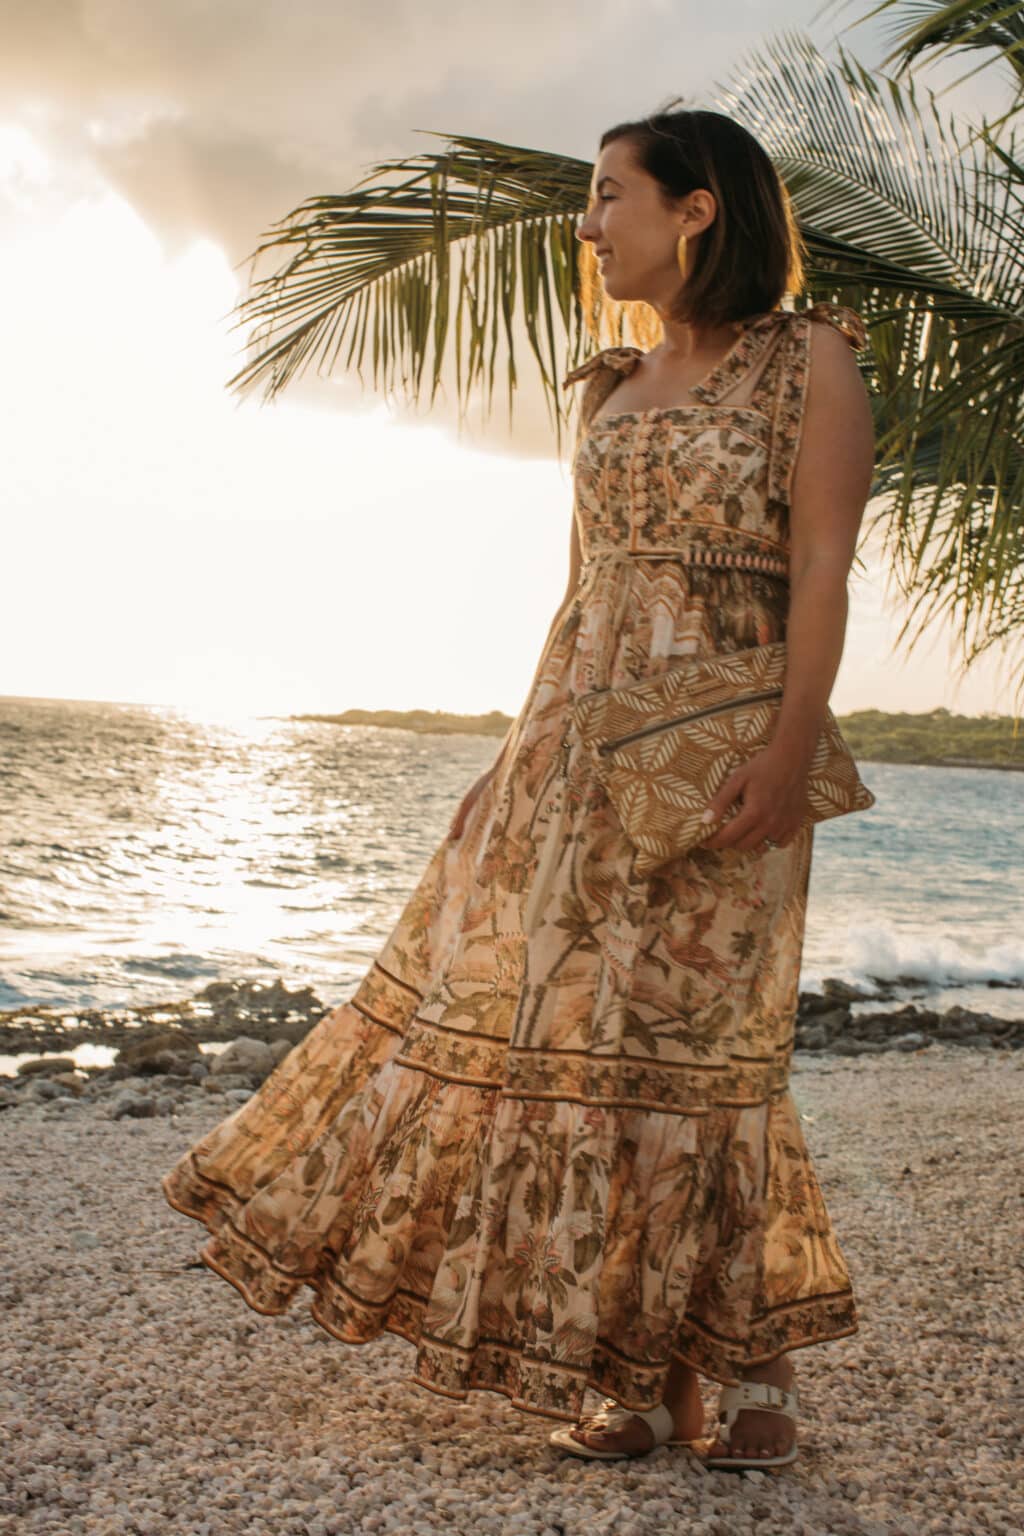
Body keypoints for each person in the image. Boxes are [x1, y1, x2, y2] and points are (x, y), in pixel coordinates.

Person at [161, 105, 875, 1473]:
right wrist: (506, 765)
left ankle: (755, 1372)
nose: (589, 223)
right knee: (584, 1059)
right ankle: (630, 1375)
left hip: (724, 753)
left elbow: (824, 570)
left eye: (610, 195)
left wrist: (789, 753)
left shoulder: (810, 362)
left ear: (699, 208)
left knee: (702, 1053)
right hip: (573, 758)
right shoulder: (606, 387)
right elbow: (579, 595)